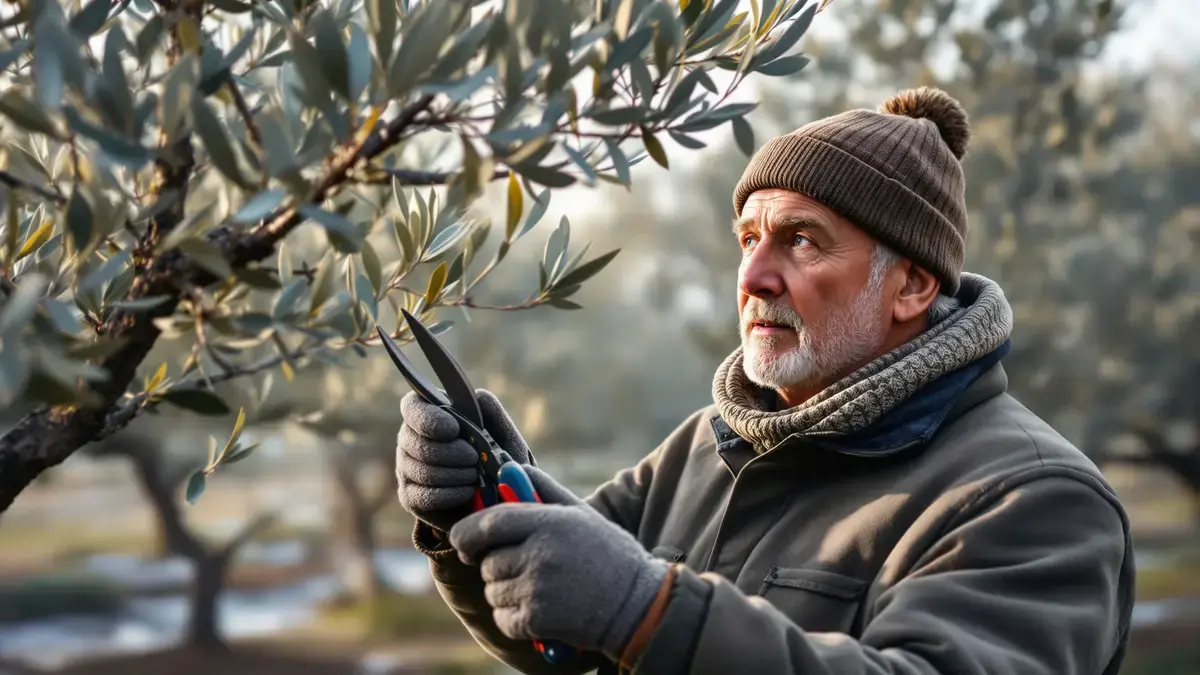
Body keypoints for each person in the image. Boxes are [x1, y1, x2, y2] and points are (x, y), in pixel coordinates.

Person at [394, 86, 1135, 675]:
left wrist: (653, 615)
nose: (752, 275)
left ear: (910, 285)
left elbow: (628, 606)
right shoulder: (708, 446)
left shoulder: (1038, 500)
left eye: (802, 240)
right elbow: (554, 621)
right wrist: (475, 506)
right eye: (749, 238)